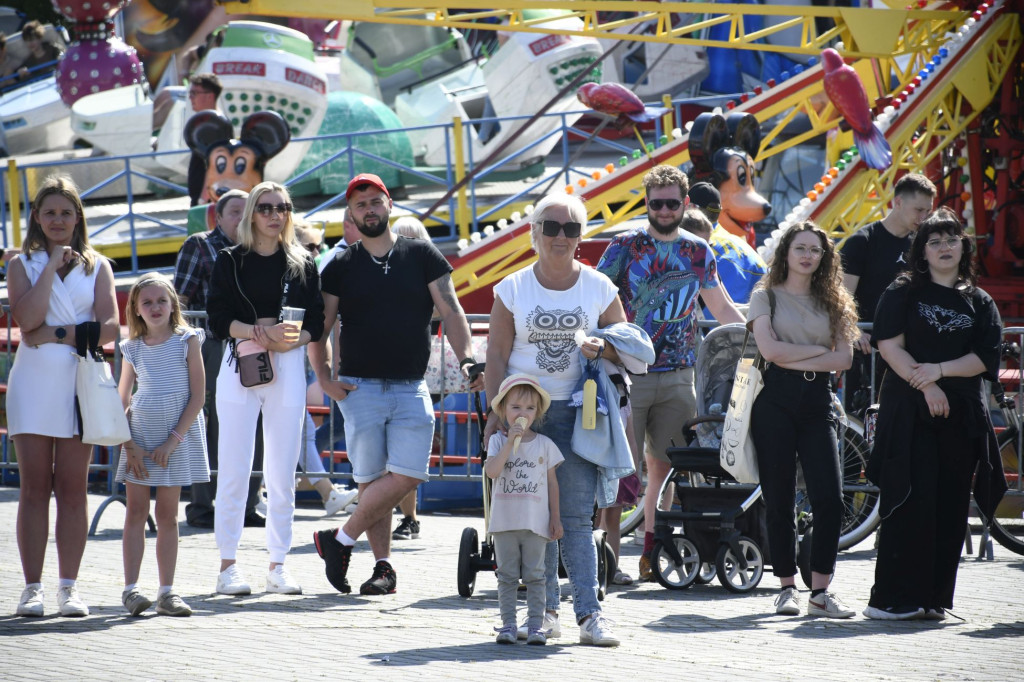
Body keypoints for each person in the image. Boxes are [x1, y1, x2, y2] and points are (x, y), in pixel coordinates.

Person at [311, 173, 482, 596]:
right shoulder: (340, 266)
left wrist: (468, 360)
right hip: (358, 388)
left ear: (389, 205)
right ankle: (382, 568)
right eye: (359, 205)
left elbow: (452, 310)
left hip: (410, 386)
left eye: (375, 201)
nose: (368, 209)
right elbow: (321, 328)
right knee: (371, 482)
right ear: (350, 215)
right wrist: (325, 380)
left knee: (407, 474)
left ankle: (340, 539)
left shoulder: (421, 255)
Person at [486, 191, 628, 647]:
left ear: (581, 237)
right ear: (534, 234)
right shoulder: (512, 289)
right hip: (525, 416)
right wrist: (496, 414)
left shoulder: (600, 287)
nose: (560, 236)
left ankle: (589, 615)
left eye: (570, 228)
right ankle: (545, 613)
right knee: (534, 517)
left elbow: (623, 343)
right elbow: (496, 356)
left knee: (576, 518)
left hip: (579, 413)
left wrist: (601, 346)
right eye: (551, 227)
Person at [597, 165, 743, 582]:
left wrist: (757, 342)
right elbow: (594, 296)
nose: (663, 209)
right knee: (619, 469)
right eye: (656, 202)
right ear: (647, 203)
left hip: (679, 373)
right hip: (626, 373)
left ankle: (653, 552)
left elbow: (721, 307)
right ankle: (607, 560)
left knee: (666, 469)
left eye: (671, 202)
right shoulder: (624, 245)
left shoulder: (699, 250)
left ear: (685, 204)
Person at [864, 208, 1005, 620]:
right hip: (909, 412)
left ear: (964, 246)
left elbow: (984, 357)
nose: (944, 248)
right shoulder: (902, 291)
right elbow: (890, 347)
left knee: (949, 504)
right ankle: (890, 601)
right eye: (935, 241)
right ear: (921, 251)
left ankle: (933, 601)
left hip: (960, 415)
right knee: (909, 498)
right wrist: (926, 385)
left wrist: (940, 372)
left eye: (951, 240)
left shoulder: (980, 301)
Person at [207, 181, 325, 596]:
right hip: (240, 360)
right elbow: (216, 318)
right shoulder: (229, 260)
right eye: (267, 207)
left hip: (288, 364)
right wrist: (256, 331)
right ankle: (228, 565)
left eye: (283, 207)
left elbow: (317, 321)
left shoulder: (302, 262)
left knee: (282, 467)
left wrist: (294, 338)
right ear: (253, 213)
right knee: (234, 466)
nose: (276, 214)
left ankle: (278, 563)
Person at [8, 176, 118, 617]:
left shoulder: (100, 265)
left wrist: (57, 333)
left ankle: (68, 588)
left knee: (73, 488)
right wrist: (51, 267)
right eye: (49, 212)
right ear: (36, 216)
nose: (57, 220)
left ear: (78, 218)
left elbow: (109, 327)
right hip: (33, 383)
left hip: (82, 381)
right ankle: (31, 588)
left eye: (66, 213)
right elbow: (25, 321)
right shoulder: (22, 264)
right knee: (34, 487)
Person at [747, 220, 859, 618]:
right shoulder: (766, 296)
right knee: (778, 499)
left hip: (818, 401)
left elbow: (844, 358)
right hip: (774, 399)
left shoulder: (836, 300)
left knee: (830, 497)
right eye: (801, 248)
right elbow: (769, 352)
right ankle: (785, 588)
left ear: (824, 256)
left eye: (815, 249)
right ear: (786, 254)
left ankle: (821, 592)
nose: (808, 255)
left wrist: (795, 354)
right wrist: (816, 355)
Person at [116, 274, 209, 617]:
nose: (155, 308)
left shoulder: (188, 340)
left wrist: (173, 441)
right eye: (147, 302)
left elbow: (198, 397)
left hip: (176, 437)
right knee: (135, 512)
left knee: (167, 515)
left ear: (173, 305)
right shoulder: (132, 348)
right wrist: (130, 446)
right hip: (139, 437)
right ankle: (131, 589)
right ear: (136, 310)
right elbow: (121, 399)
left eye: (161, 301)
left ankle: (167, 592)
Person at [175, 189, 266, 530]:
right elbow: (180, 300)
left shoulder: (261, 248)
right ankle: (202, 507)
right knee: (209, 427)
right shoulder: (198, 245)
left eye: (248, 212)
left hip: (253, 346)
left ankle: (248, 505)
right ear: (218, 216)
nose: (243, 219)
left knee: (253, 423)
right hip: (211, 345)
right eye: (235, 212)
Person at [841, 173, 936, 414]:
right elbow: (842, 297)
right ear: (898, 202)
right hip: (867, 353)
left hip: (909, 352)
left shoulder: (922, 246)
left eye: (928, 211)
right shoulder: (862, 242)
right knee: (862, 423)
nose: (924, 218)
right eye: (919, 210)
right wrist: (854, 330)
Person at [486, 374, 563, 646]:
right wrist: (509, 443)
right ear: (503, 411)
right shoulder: (497, 442)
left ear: (538, 413)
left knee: (536, 576)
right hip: (505, 523)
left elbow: (553, 484)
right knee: (506, 575)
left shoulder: (545, 445)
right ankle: (507, 624)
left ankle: (534, 626)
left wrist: (555, 517)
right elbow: (493, 471)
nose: (523, 414)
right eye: (516, 407)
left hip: (535, 523)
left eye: (530, 408)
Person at [390, 216, 433, 541]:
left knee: (406, 454)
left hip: (415, 374)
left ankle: (410, 517)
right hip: (380, 373)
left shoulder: (430, 275)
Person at [688, 181, 767, 307]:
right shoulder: (740, 243)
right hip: (755, 319)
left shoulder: (698, 248)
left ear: (691, 207)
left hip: (721, 322)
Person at [186, 73, 223, 206]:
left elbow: (214, 164)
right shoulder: (206, 122)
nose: (190, 98)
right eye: (190, 93)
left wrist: (203, 198)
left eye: (194, 93)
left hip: (208, 200)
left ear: (210, 96)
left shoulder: (214, 125)